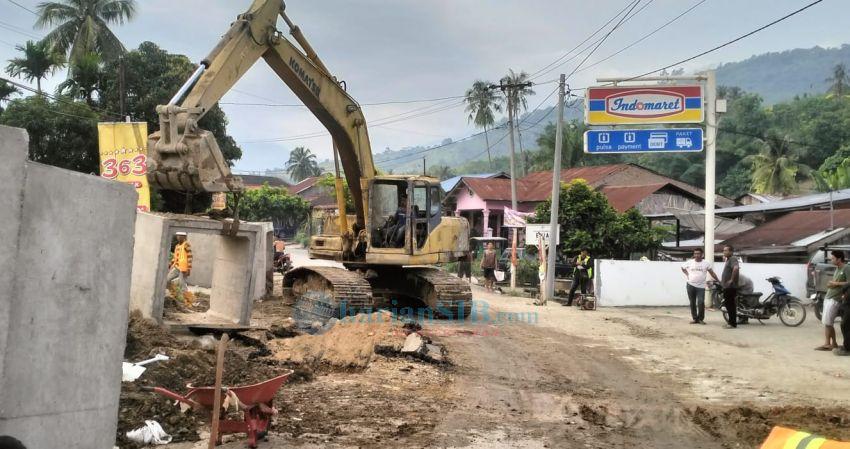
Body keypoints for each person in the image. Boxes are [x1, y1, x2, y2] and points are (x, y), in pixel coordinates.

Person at [817, 251, 850, 351]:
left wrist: (836, 283)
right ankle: (829, 343)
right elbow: (835, 282)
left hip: (835, 298)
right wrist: (831, 284)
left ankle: (832, 343)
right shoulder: (837, 269)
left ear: (839, 259)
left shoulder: (846, 268)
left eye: (833, 258)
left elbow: (849, 282)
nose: (831, 260)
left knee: (828, 322)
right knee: (826, 322)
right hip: (829, 296)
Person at [681, 248, 720, 324]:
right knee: (692, 302)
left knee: (701, 302)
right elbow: (682, 268)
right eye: (695, 253)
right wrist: (687, 274)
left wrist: (718, 280)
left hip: (701, 286)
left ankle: (701, 319)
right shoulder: (690, 262)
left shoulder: (706, 263)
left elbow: (712, 273)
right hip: (690, 285)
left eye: (698, 253)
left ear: (702, 255)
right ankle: (695, 318)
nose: (696, 255)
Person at [167, 231, 193, 304]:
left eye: (180, 236)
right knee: (167, 279)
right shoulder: (177, 246)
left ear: (184, 237)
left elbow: (190, 257)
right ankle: (175, 294)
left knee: (182, 284)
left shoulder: (186, 244)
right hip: (177, 267)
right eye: (177, 236)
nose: (178, 237)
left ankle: (188, 301)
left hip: (184, 268)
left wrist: (188, 269)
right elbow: (175, 257)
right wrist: (171, 263)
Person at [720, 245, 740, 329]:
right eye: (723, 250)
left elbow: (736, 268)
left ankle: (732, 323)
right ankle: (731, 322)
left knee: (730, 305)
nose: (724, 252)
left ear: (731, 251)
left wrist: (731, 279)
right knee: (729, 305)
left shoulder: (733, 258)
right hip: (727, 286)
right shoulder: (728, 259)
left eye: (726, 250)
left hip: (730, 287)